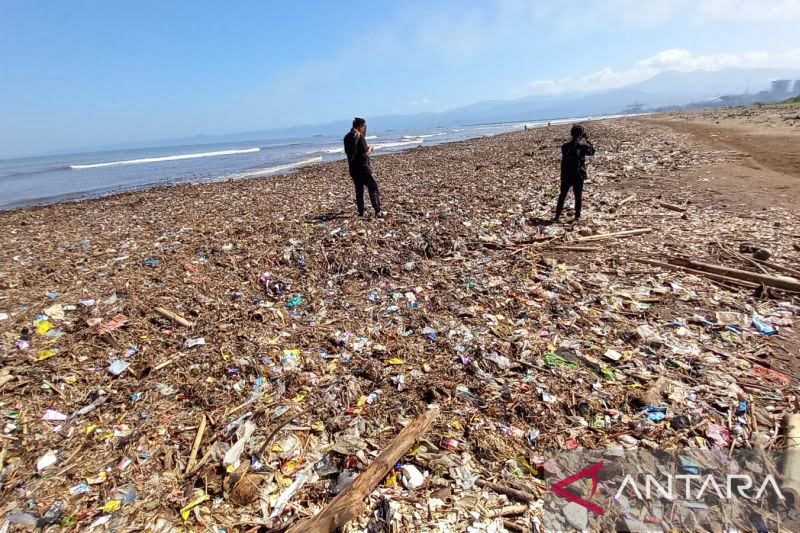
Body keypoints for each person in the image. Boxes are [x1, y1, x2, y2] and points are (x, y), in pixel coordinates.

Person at [343, 117, 384, 218]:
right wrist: (370, 149)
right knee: (373, 187)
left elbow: (350, 153)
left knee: (359, 190)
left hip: (353, 168)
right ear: (361, 126)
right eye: (364, 126)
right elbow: (364, 154)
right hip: (363, 167)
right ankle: (377, 210)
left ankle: (361, 211)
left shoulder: (346, 137)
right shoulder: (360, 137)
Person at [554, 124, 595, 222]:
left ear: (571, 134)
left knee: (562, 195)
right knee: (578, 196)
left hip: (567, 174)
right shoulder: (582, 146)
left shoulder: (564, 147)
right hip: (578, 174)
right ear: (581, 134)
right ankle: (577, 216)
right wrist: (587, 140)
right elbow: (592, 152)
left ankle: (557, 216)